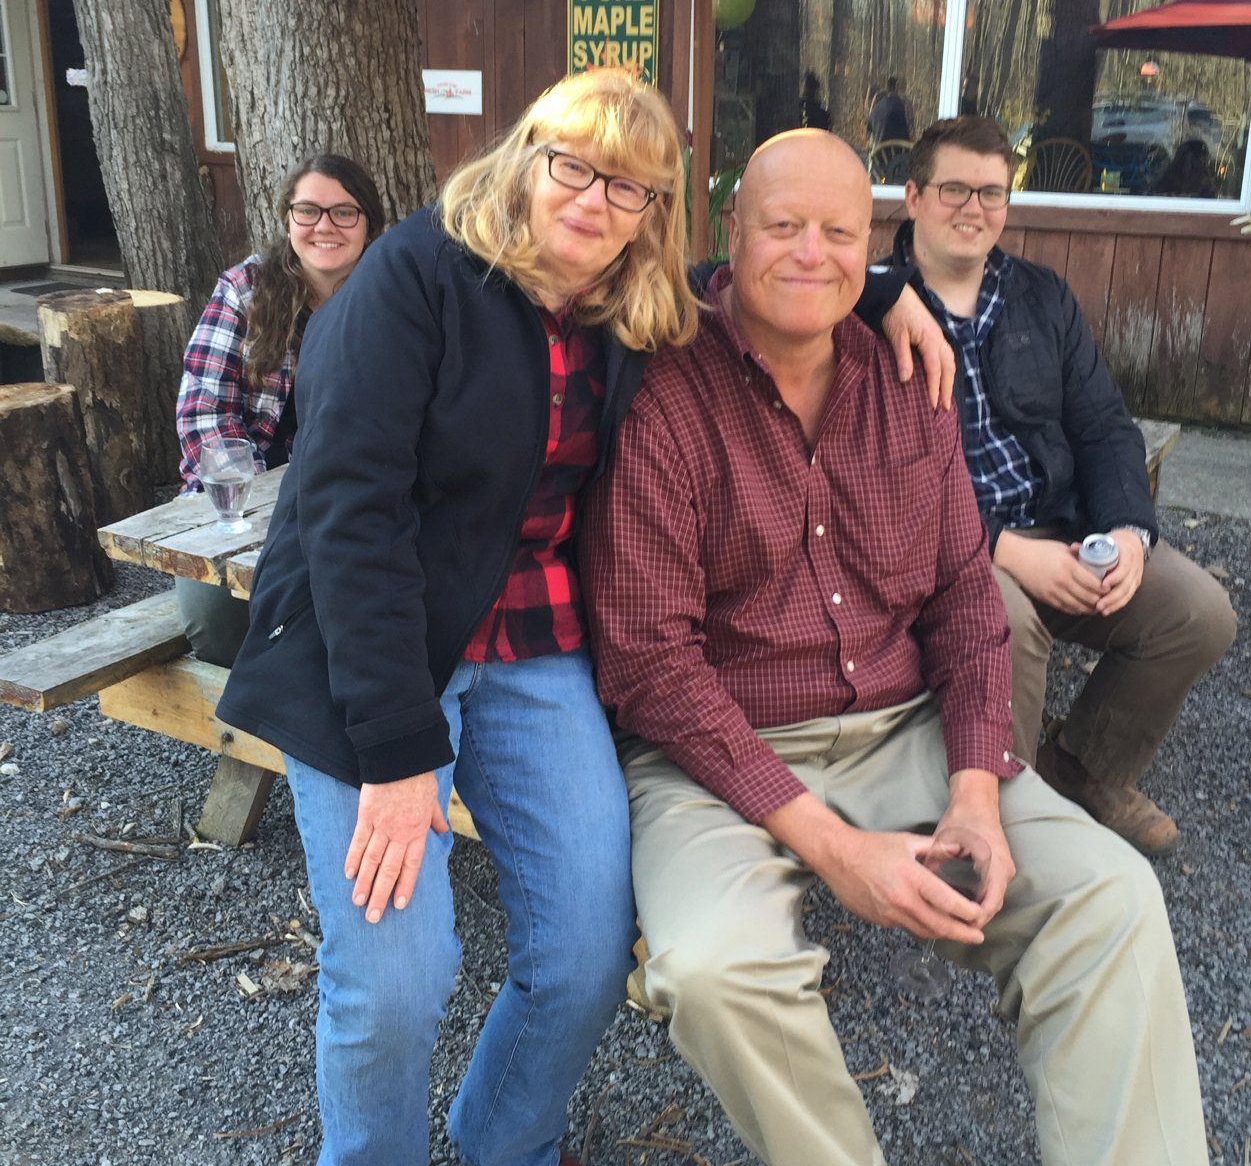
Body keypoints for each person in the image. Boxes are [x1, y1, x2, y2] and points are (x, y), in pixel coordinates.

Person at [211, 70, 948, 1166]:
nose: (594, 199)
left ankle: (506, 1136)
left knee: (588, 945)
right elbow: (347, 524)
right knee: (398, 978)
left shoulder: (627, 306)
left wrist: (881, 285)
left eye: (630, 186)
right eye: (573, 164)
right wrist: (401, 750)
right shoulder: (412, 280)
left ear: (652, 213)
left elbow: (762, 270)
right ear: (523, 156)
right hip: (371, 653)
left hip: (532, 647)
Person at [581, 127, 1209, 1166]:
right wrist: (836, 851)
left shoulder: (907, 381)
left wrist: (973, 785)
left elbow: (966, 596)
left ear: (871, 249)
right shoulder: (665, 395)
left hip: (902, 729)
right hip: (715, 749)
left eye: (837, 232)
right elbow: (651, 667)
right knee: (707, 966)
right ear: (727, 235)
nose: (808, 253)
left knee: (1107, 896)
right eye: (780, 225)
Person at [893, 116, 1235, 855]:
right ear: (913, 197)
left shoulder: (1042, 299)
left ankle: (1084, 767)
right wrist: (1003, 550)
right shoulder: (867, 311)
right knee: (1004, 619)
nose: (973, 208)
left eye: (991, 192)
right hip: (941, 551)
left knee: (1199, 611)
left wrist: (1126, 532)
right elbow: (875, 480)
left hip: (1062, 528)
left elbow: (1106, 426)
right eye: (954, 188)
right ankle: (1003, 814)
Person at [174, 154, 385, 666]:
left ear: (369, 224)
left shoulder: (392, 296)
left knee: (361, 617)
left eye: (344, 213)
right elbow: (203, 412)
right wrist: (260, 502)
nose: (324, 227)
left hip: (354, 501)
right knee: (215, 622)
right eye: (308, 210)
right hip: (241, 506)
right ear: (288, 218)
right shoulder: (245, 290)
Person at [866, 75, 909, 143]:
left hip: (878, 150)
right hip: (897, 150)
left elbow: (868, 129)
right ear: (896, 88)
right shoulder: (901, 104)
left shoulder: (877, 107)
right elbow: (908, 132)